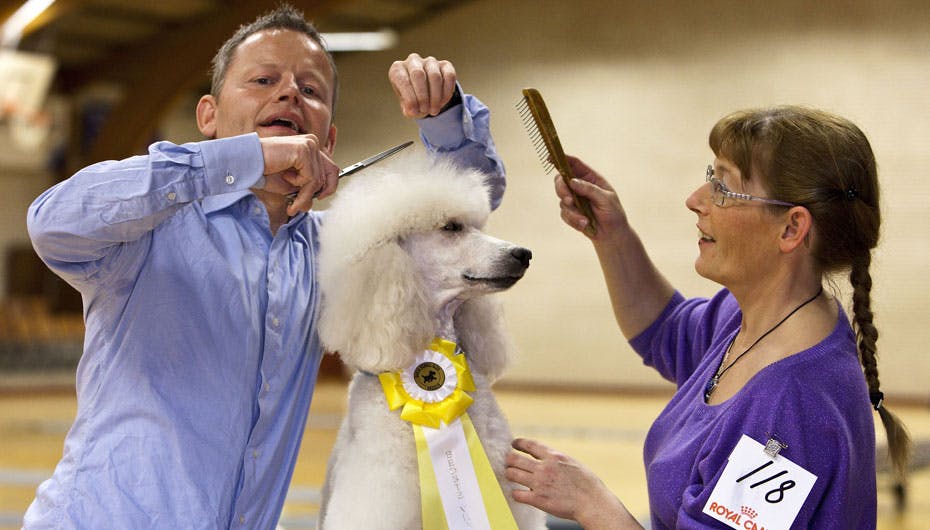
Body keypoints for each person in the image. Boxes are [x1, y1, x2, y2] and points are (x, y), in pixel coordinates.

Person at [24, 4, 504, 528]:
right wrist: (246, 159)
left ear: (329, 139)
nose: (290, 93)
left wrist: (444, 120)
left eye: (312, 89)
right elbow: (53, 222)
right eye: (263, 79)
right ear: (208, 115)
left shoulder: (339, 254)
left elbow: (462, 217)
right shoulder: (145, 229)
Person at [505, 106, 910, 529]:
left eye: (723, 186)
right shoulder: (751, 318)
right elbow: (665, 329)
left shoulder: (791, 409)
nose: (696, 200)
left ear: (791, 229)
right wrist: (612, 234)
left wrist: (592, 502)